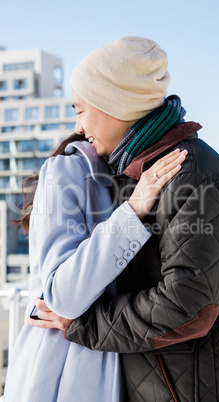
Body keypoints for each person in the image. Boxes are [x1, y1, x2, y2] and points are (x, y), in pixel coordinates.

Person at [28, 36, 219, 401]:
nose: (77, 127)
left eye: (80, 110)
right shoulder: (135, 173)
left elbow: (189, 307)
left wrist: (81, 324)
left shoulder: (190, 174)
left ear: (114, 105)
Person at [3, 130, 186, 400]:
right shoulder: (70, 169)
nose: (80, 125)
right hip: (60, 369)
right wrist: (133, 210)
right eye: (78, 109)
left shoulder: (113, 170)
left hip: (102, 361)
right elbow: (63, 297)